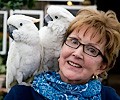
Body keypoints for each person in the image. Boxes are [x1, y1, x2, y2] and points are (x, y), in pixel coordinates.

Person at [4, 8, 120, 100]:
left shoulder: (109, 97)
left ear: (102, 66)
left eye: (91, 50)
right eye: (74, 41)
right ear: (62, 46)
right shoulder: (21, 95)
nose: (77, 53)